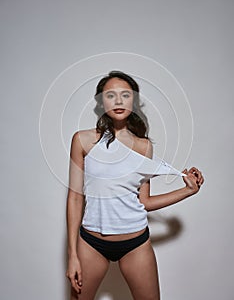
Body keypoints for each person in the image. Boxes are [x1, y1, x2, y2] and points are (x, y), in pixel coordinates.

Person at [66, 71, 204, 300]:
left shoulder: (144, 146)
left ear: (134, 101)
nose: (118, 101)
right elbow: (74, 198)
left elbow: (145, 203)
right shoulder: (82, 140)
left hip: (135, 244)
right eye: (111, 95)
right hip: (91, 244)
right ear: (101, 102)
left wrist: (188, 190)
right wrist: (72, 254)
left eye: (125, 95)